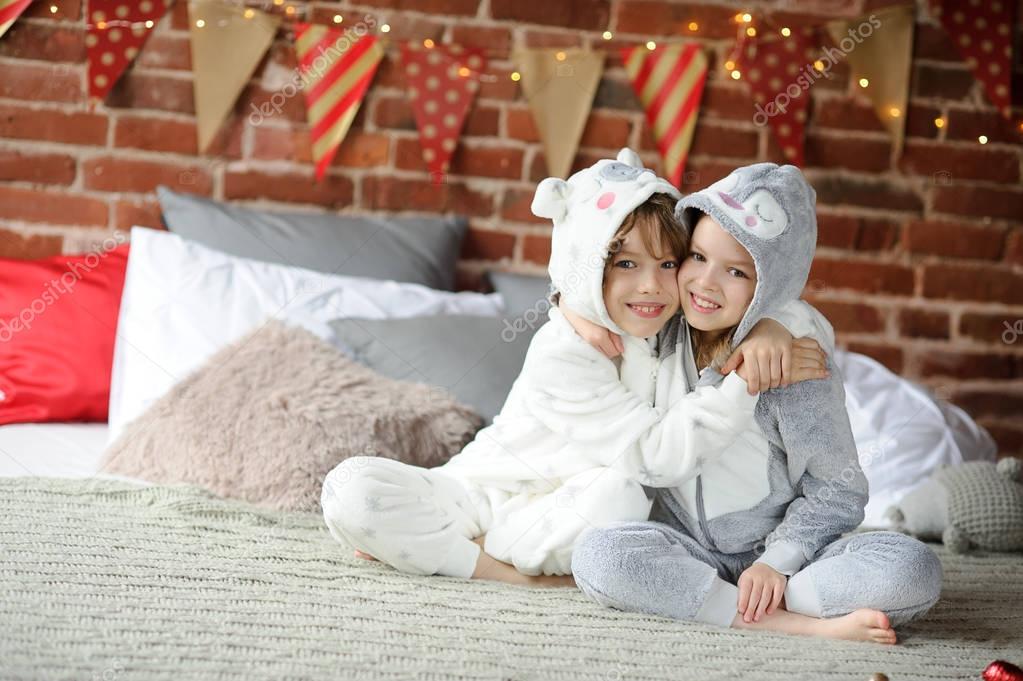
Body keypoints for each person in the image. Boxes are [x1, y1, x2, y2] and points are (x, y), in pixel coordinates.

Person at [321, 150, 827, 587]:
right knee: (352, 489)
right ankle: (495, 571)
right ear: (585, 265)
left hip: (570, 510)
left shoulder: (675, 327)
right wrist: (742, 381)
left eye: (668, 263)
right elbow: (658, 456)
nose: (651, 285)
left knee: (624, 498)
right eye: (624, 264)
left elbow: (798, 314)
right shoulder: (563, 348)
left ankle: (442, 548)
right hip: (482, 494)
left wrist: (771, 328)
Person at [569, 163, 943, 644]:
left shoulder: (797, 365)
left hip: (789, 558)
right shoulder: (658, 328)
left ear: (770, 284)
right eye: (697, 257)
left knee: (911, 569)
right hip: (686, 549)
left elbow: (837, 491)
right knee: (600, 554)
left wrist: (775, 564)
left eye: (736, 271)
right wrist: (570, 313)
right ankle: (790, 622)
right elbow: (585, 279)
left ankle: (749, 600)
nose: (705, 283)